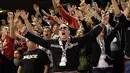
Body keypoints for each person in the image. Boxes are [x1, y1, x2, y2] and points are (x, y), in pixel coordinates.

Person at [17, 12, 108, 73]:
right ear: (58, 33)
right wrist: (25, 32)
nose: (62, 29)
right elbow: (37, 39)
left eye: (65, 28)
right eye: (61, 29)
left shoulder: (76, 41)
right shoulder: (52, 42)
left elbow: (90, 35)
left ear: (69, 31)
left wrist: (102, 24)